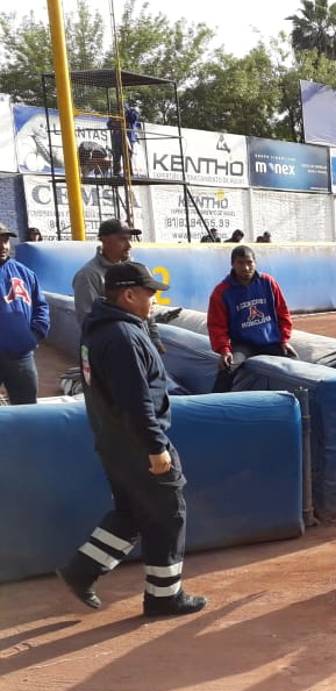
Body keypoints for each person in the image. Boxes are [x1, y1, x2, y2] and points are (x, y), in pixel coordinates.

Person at [56, 263, 207, 617]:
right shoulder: (122, 337)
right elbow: (136, 401)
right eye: (149, 293)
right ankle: (164, 597)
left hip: (114, 442)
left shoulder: (101, 329)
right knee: (169, 514)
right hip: (138, 445)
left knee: (133, 512)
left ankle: (82, 570)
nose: (154, 300)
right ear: (128, 295)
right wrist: (155, 448)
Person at [206, 245, 296, 392]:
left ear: (255, 262)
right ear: (232, 264)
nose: (246, 268)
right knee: (227, 368)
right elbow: (216, 326)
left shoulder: (268, 283)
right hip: (242, 345)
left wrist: (284, 340)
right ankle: (215, 402)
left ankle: (303, 402)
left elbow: (283, 313)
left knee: (296, 366)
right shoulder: (221, 292)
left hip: (270, 342)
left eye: (249, 262)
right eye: (240, 263)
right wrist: (224, 350)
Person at [72, 218, 166, 354]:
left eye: (129, 239)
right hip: (114, 351)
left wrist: (154, 338)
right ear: (104, 240)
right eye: (122, 239)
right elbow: (89, 321)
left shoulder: (134, 269)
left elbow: (147, 310)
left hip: (139, 344)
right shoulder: (88, 275)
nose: (129, 245)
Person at [1, 223, 49, 405]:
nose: (3, 246)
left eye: (5, 240)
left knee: (27, 408)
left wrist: (34, 336)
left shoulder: (25, 273)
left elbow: (41, 307)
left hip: (21, 356)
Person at [106, 102, 140, 178]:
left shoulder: (131, 114)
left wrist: (129, 111)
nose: (120, 110)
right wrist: (115, 122)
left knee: (127, 156)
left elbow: (134, 118)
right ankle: (116, 173)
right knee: (116, 156)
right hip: (117, 139)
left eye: (122, 108)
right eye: (119, 108)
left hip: (128, 139)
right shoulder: (115, 116)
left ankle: (128, 174)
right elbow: (109, 124)